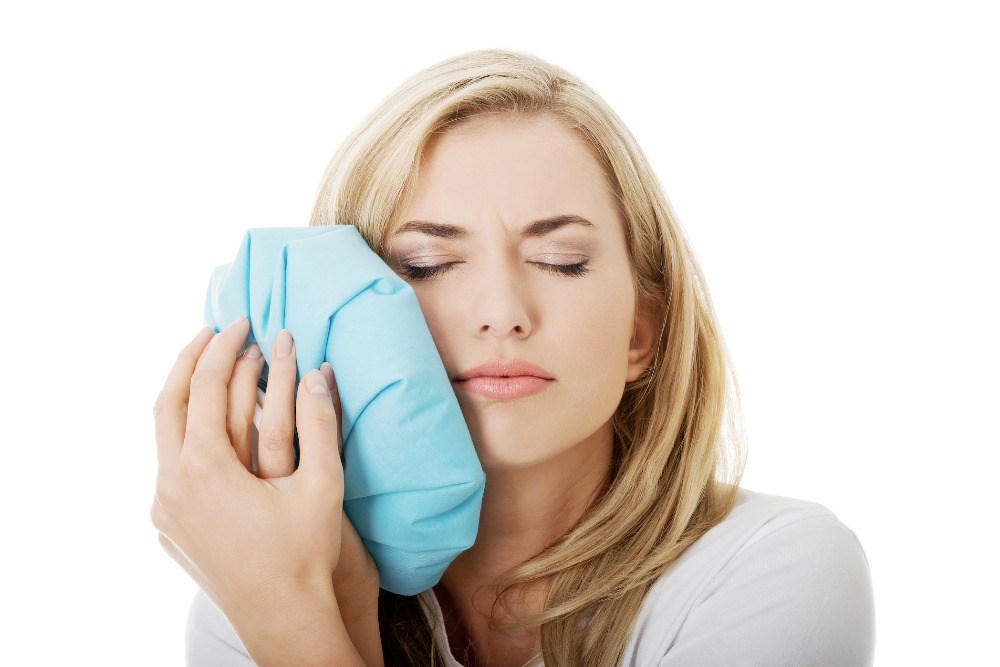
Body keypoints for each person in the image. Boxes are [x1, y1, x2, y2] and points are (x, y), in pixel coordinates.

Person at [152, 50, 875, 667]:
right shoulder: (244, 585)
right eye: (427, 263)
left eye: (560, 260)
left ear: (640, 334)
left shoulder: (778, 570)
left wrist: (289, 619)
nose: (502, 310)